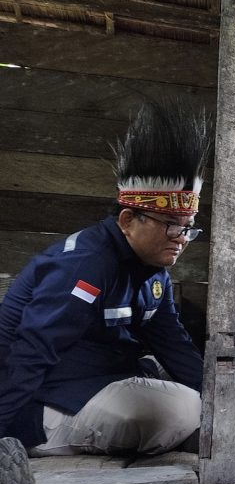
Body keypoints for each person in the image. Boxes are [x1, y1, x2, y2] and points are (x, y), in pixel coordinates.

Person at [0, 99, 209, 459]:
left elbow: (172, 342)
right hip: (44, 396)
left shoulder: (153, 272)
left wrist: (227, 404)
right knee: (181, 408)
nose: (180, 238)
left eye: (187, 229)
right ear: (128, 220)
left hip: (101, 376)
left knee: (189, 384)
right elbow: (31, 352)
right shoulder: (86, 264)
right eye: (171, 226)